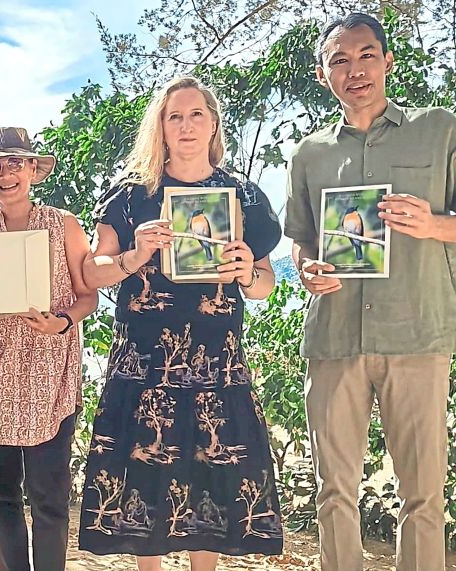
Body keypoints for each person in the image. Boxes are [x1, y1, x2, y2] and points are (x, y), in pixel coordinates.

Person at [284, 13, 456, 571]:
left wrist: (433, 224)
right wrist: (306, 270)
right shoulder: (308, 155)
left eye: (366, 55)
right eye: (339, 60)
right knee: (333, 492)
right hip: (335, 337)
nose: (354, 70)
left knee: (423, 495)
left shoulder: (440, 130)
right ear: (323, 74)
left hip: (418, 334)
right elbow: (301, 241)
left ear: (387, 62)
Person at [77, 76, 284, 570]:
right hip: (144, 364)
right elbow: (91, 271)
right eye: (175, 116)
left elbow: (265, 284)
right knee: (143, 483)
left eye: (196, 115)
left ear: (213, 124)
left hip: (217, 364)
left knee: (210, 477)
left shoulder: (243, 196)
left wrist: (246, 271)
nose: (186, 126)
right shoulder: (132, 195)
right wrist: (134, 255)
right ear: (161, 127)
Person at [0, 127, 97, 571]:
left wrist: (62, 322)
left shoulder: (63, 225)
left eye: (15, 164)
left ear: (33, 170)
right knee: (1, 496)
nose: (5, 175)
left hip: (49, 378)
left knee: (49, 498)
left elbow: (88, 296)